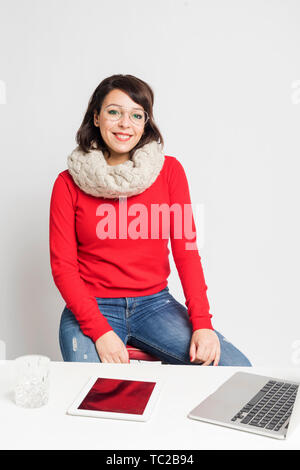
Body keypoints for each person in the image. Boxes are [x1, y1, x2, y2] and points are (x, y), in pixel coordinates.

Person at [49, 74, 251, 367]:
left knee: (236, 369)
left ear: (145, 122)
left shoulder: (169, 172)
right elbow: (63, 268)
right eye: (114, 112)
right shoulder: (67, 183)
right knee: (93, 393)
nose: (124, 123)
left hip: (154, 305)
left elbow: (187, 253)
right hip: (92, 307)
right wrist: (100, 331)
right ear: (96, 117)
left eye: (136, 115)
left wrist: (203, 323)